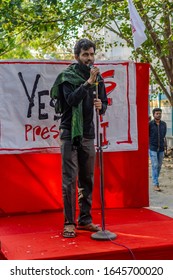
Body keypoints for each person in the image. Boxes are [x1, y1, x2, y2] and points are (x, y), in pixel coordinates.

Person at [51, 38, 108, 238]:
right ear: (77, 57)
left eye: (92, 54)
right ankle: (69, 222)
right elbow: (71, 99)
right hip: (69, 133)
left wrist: (102, 105)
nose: (89, 58)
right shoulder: (67, 77)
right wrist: (88, 83)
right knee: (69, 180)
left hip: (88, 134)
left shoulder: (98, 78)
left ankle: (85, 219)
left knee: (87, 178)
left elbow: (104, 102)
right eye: (85, 55)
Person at [149, 108, 167, 192]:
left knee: (159, 166)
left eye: (160, 113)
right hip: (152, 148)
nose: (159, 115)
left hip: (161, 148)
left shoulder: (164, 124)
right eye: (157, 113)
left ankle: (155, 179)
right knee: (155, 165)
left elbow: (164, 135)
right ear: (153, 114)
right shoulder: (150, 124)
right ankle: (155, 184)